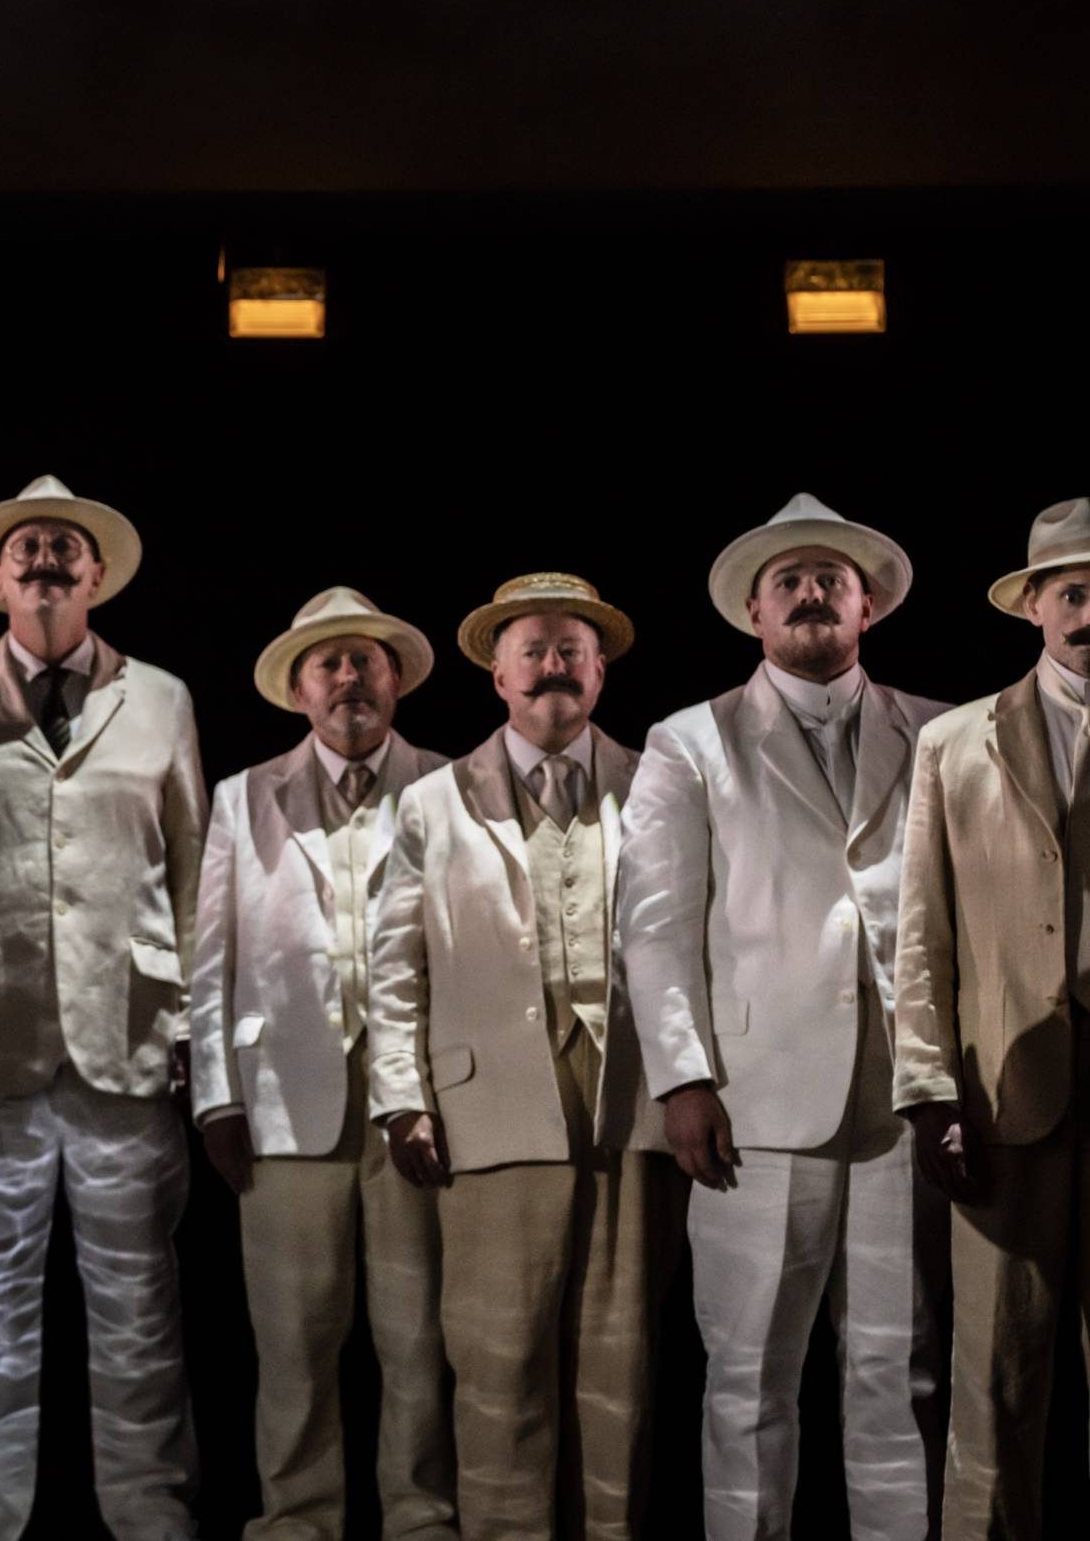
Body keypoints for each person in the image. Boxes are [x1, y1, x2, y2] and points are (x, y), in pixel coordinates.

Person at [0, 475, 204, 1541]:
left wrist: (196, 1021)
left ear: (96, 572)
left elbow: (196, 871)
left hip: (131, 1039)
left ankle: (150, 1509)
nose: (48, 559)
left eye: (67, 546)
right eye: (29, 547)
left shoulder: (160, 699)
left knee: (140, 1303)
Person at [616, 493, 949, 1540]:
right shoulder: (690, 740)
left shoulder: (937, 732)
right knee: (749, 1373)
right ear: (753, 613)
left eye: (831, 583)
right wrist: (680, 1076)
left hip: (904, 1094)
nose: (811, 595)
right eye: (790, 583)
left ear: (868, 610)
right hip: (751, 1100)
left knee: (899, 1370)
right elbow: (654, 926)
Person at [365, 573, 675, 1539]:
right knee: (498, 1359)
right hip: (489, 1102)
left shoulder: (658, 782)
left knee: (620, 1361)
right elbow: (393, 966)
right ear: (496, 673)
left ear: (601, 668)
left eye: (570, 649)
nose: (552, 667)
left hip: (631, 1104)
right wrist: (402, 1097)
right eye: (531, 650)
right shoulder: (431, 801)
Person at [188, 586, 456, 1541]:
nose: (349, 677)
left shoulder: (445, 785)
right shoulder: (244, 794)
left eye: (366, 661)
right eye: (328, 664)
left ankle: (421, 1515)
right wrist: (215, 1096)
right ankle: (296, 1518)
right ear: (299, 689)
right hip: (279, 1104)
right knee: (294, 1340)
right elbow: (209, 954)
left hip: (416, 1105)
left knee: (418, 1333)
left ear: (395, 681)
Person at [892, 496, 1090, 1537]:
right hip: (1005, 1093)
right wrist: (927, 1090)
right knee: (993, 1380)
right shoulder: (953, 742)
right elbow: (919, 931)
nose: (1089, 609)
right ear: (1033, 607)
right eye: (1073, 590)